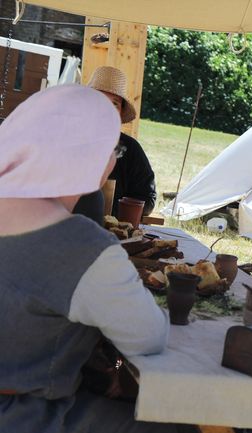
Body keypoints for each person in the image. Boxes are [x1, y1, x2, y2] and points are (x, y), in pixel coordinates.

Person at [0, 85, 196, 433]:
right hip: (22, 416)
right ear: (95, 155)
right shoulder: (79, 245)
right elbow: (147, 337)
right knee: (179, 427)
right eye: (114, 150)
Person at [87, 65, 157, 216]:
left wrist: (114, 213)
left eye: (114, 103)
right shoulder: (65, 140)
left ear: (120, 112)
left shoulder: (130, 149)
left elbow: (147, 198)